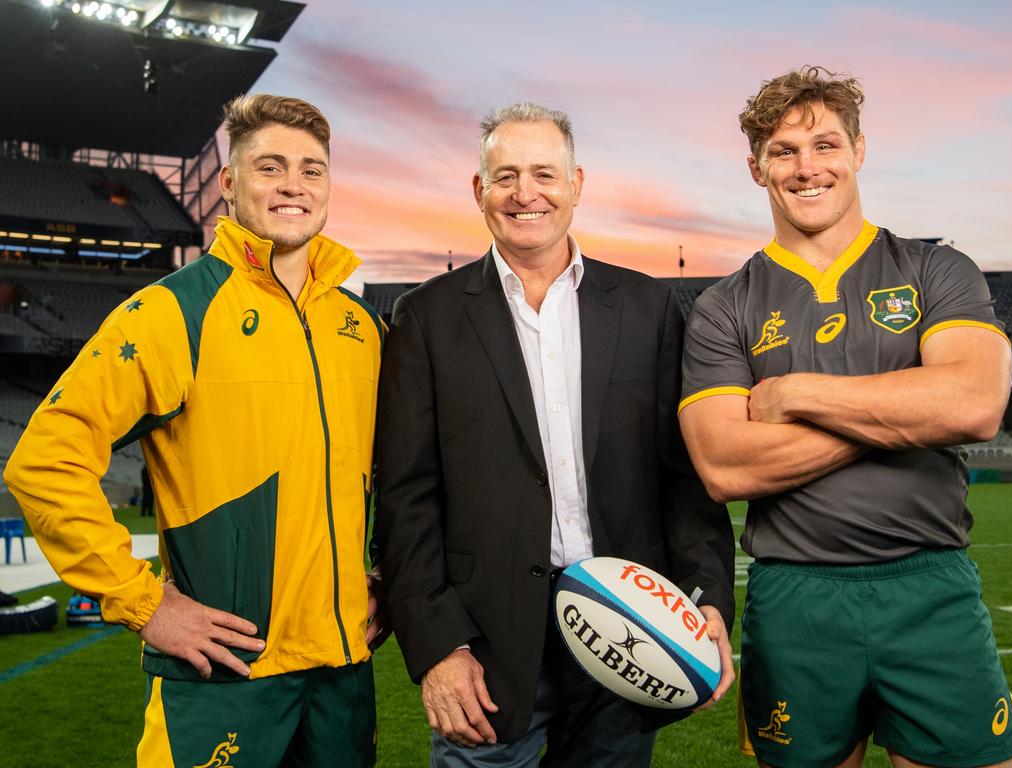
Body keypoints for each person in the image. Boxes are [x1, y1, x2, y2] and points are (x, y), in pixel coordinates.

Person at [3, 94, 384, 768]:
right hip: (223, 674)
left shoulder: (362, 329)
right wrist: (143, 603)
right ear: (230, 184)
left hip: (344, 677)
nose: (294, 184)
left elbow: (396, 474)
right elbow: (43, 459)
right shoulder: (172, 311)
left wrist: (388, 573)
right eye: (271, 167)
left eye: (312, 169)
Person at [678, 66, 1012, 768]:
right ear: (756, 169)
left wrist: (798, 394)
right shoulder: (723, 307)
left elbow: (976, 405)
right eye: (784, 152)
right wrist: (906, 405)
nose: (808, 168)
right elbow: (724, 465)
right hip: (795, 595)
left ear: (859, 151)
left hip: (930, 583)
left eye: (826, 145)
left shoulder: (937, 270)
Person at [376, 101, 735, 767]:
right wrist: (437, 648)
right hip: (488, 639)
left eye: (544, 173)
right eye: (505, 175)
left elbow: (684, 477)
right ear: (478, 190)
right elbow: (407, 498)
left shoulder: (647, 308)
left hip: (629, 624)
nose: (525, 193)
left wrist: (707, 599)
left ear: (577, 185)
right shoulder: (424, 318)